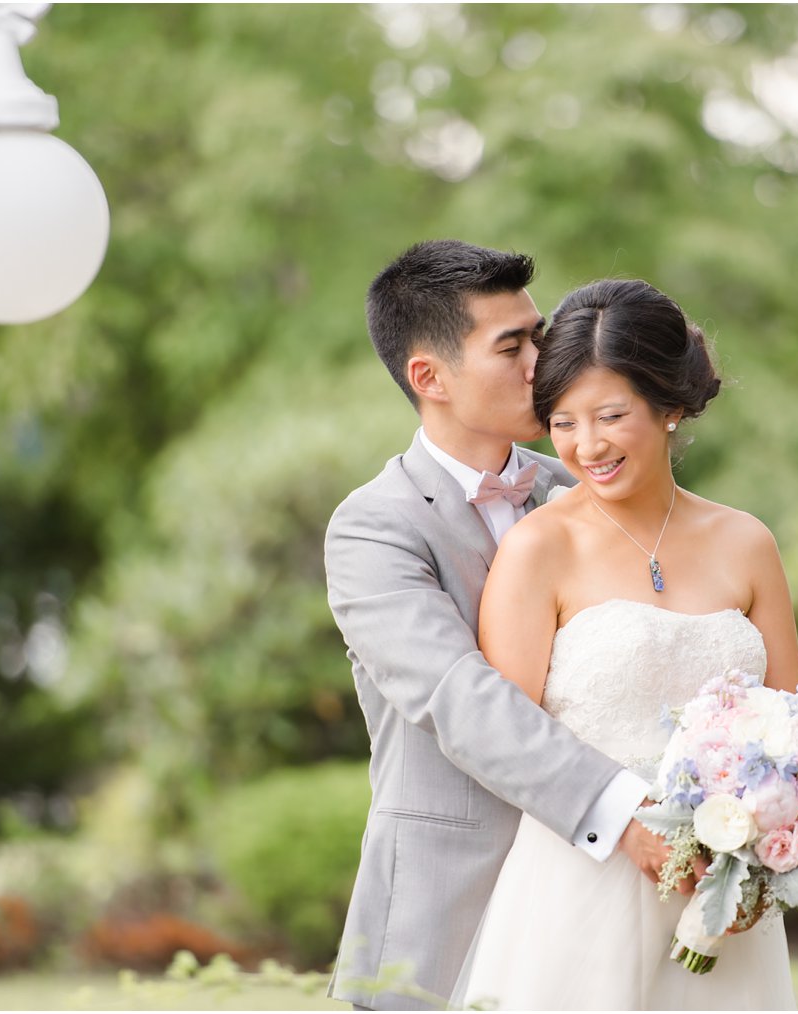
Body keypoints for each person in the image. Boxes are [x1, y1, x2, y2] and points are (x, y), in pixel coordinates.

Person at [323, 242, 678, 1011]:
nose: (542, 361)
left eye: (538, 335)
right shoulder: (372, 530)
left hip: (598, 907)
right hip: (448, 909)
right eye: (511, 346)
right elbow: (458, 697)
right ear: (429, 377)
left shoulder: (580, 482)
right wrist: (624, 811)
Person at [455, 278, 798, 1010]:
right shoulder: (537, 548)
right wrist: (625, 824)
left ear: (670, 405)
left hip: (723, 899)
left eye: (611, 416)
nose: (587, 446)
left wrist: (764, 849)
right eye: (564, 421)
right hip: (580, 888)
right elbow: (507, 740)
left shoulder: (746, 542)